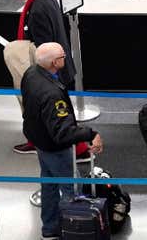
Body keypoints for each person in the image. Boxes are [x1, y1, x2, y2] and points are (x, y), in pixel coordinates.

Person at [3, 0, 90, 162]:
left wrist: (44, 79)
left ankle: (76, 150)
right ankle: (76, 147)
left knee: (55, 114)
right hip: (59, 68)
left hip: (51, 73)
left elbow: (44, 48)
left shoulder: (37, 11)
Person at [21, 42, 103, 240]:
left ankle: (49, 229)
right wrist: (90, 133)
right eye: (63, 56)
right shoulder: (52, 93)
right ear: (53, 62)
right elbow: (62, 133)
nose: (65, 59)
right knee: (71, 190)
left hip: (40, 142)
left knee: (49, 186)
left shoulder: (31, 73)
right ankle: (74, 231)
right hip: (55, 148)